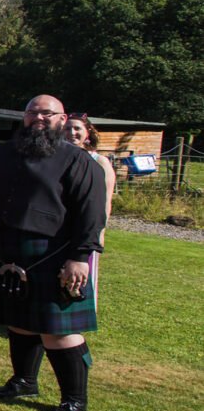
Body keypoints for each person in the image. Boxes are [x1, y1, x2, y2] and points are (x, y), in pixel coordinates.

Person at [0, 95, 105, 411]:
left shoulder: (78, 161)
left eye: (48, 113)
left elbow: (91, 212)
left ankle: (74, 401)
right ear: (24, 117)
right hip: (6, 249)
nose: (39, 118)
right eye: (33, 112)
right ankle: (24, 381)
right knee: (18, 321)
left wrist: (79, 258)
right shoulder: (3, 154)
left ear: (62, 119)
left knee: (58, 331)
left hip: (53, 254)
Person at [63, 113, 116, 295]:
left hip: (84, 228)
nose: (71, 132)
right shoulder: (56, 158)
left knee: (80, 276)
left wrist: (98, 233)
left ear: (88, 133)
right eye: (67, 128)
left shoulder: (100, 162)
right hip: (59, 229)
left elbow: (105, 201)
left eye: (77, 128)